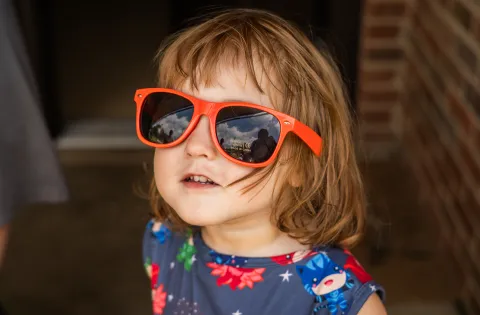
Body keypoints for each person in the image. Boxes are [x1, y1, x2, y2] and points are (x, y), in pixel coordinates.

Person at [137, 8, 386, 315]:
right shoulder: (162, 241)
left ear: (301, 165)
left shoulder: (337, 298)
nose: (196, 146)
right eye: (176, 115)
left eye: (241, 128)